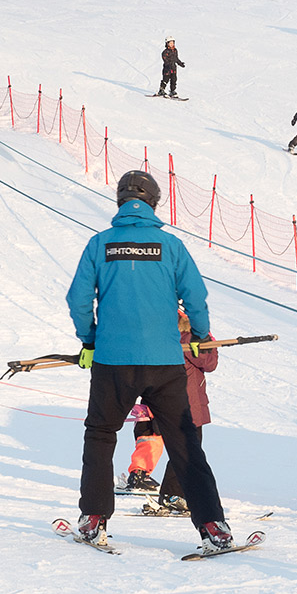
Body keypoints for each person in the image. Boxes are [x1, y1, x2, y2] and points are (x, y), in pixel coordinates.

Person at [65, 170, 233, 551]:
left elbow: (77, 299)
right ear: (154, 203)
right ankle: (213, 524)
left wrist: (90, 339)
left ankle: (93, 518)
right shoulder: (170, 245)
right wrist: (202, 337)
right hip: (165, 362)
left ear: (121, 203)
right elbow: (196, 295)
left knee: (101, 435)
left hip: (112, 362)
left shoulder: (99, 244)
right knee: (184, 441)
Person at [153, 310, 219, 511]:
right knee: (187, 451)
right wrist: (207, 341)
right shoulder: (188, 337)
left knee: (186, 450)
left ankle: (174, 494)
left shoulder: (164, 334)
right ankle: (173, 495)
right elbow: (210, 363)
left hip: (175, 401)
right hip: (186, 405)